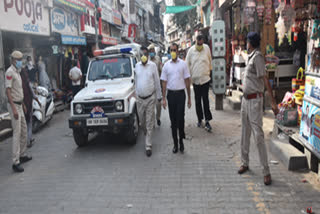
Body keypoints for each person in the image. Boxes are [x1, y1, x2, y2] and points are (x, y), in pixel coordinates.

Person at [236, 32, 279, 185]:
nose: (245, 44)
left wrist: (272, 102)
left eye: (246, 42)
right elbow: (245, 56)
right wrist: (240, 51)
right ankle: (245, 162)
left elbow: (265, 78)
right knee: (244, 134)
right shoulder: (251, 56)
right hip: (245, 101)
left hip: (255, 101)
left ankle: (266, 171)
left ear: (250, 43)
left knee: (258, 136)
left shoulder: (258, 57)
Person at [161, 43, 192, 154]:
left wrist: (189, 98)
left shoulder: (183, 64)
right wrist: (163, 98)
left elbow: (187, 81)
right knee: (173, 121)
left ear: (178, 51)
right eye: (171, 50)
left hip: (180, 95)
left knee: (180, 119)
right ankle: (175, 144)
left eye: (175, 50)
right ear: (170, 52)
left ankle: (181, 140)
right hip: (171, 95)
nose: (173, 52)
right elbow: (164, 83)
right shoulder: (166, 66)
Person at [5, 51, 32, 173]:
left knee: (24, 130)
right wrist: (14, 108)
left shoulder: (18, 72)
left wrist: (23, 104)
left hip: (20, 104)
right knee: (17, 133)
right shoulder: (10, 72)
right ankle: (15, 162)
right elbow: (8, 91)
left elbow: (19, 90)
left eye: (22, 59)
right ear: (14, 60)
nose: (21, 61)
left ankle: (22, 154)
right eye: (19, 59)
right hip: (14, 106)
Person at [135, 47, 162, 157]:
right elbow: (136, 82)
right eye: (142, 54)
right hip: (140, 99)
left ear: (148, 55)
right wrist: (136, 94)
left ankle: (148, 145)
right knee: (142, 122)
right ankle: (146, 133)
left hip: (151, 98)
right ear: (140, 55)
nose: (144, 56)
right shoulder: (136, 66)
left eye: (145, 54)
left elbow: (157, 81)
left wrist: (159, 96)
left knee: (150, 122)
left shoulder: (153, 66)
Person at [186, 34, 213, 132]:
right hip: (195, 81)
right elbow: (187, 64)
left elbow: (210, 61)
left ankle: (207, 121)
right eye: (198, 43)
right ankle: (199, 119)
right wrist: (189, 78)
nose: (200, 45)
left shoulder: (207, 48)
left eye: (201, 43)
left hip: (205, 79)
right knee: (198, 101)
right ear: (195, 41)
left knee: (206, 100)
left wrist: (209, 72)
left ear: (203, 42)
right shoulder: (190, 51)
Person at [21, 65, 41, 148]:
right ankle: (28, 140)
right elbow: (33, 94)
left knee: (24, 124)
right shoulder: (26, 82)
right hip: (27, 104)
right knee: (29, 123)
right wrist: (38, 101)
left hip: (21, 105)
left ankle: (26, 140)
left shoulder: (19, 82)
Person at [148, 44, 163, 126]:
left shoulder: (157, 59)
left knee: (158, 105)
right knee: (151, 105)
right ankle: (153, 120)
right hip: (150, 86)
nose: (152, 52)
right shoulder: (147, 60)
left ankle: (158, 118)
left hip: (157, 85)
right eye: (150, 51)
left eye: (153, 50)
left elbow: (161, 69)